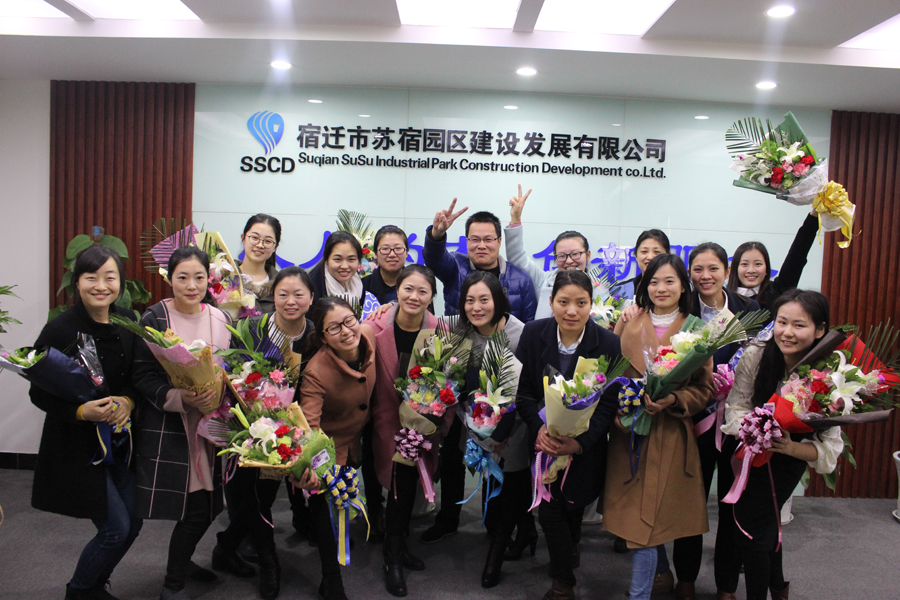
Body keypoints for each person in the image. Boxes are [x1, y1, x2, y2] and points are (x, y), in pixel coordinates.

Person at [30, 245, 143, 600]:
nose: (101, 286)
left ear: (120, 282)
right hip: (78, 447)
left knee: (134, 522)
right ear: (77, 282)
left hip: (119, 442)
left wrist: (127, 401)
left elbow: (138, 378)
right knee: (115, 529)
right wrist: (82, 412)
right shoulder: (59, 329)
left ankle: (95, 585)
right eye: (91, 277)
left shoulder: (128, 321)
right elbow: (38, 392)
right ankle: (79, 590)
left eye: (110, 277)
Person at [716, 289, 842, 600]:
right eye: (782, 322)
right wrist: (756, 430)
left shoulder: (829, 374)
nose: (787, 332)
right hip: (746, 451)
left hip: (789, 456)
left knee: (756, 532)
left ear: (820, 330)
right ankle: (776, 588)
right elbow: (736, 405)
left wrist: (787, 446)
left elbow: (829, 449)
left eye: (799, 325)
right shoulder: (757, 354)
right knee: (759, 528)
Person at [604, 254, 714, 600]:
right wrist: (620, 408)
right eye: (653, 281)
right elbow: (608, 375)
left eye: (669, 281)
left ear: (683, 286)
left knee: (657, 518)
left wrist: (674, 399)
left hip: (671, 434)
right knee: (638, 520)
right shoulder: (628, 323)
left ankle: (646, 589)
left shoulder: (696, 329)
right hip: (630, 434)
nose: (661, 288)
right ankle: (657, 577)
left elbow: (705, 389)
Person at [515, 270, 624, 600]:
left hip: (584, 447)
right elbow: (523, 392)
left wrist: (579, 444)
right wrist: (539, 429)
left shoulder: (608, 343)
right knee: (550, 513)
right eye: (563, 302)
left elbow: (607, 405)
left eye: (581, 303)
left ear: (592, 304)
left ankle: (570, 548)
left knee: (574, 506)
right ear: (551, 302)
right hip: (545, 445)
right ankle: (562, 583)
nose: (572, 311)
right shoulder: (534, 334)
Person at [132, 246, 232, 600]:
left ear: (209, 279)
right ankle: (172, 583)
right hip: (175, 426)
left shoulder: (220, 318)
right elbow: (141, 375)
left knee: (210, 506)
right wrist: (181, 397)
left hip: (213, 424)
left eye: (199, 277)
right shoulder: (155, 318)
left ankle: (183, 562)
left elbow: (232, 369)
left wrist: (222, 393)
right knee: (195, 509)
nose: (192, 286)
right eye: (183, 277)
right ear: (169, 278)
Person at [213, 267, 316, 599]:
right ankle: (270, 563)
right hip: (251, 425)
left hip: (296, 427)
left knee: (261, 498)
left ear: (311, 298)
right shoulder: (252, 328)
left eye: (299, 294)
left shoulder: (314, 336)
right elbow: (234, 373)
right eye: (283, 294)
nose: (290, 301)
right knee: (255, 496)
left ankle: (226, 547)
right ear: (273, 297)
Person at [292, 295, 377, 600]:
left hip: (358, 438)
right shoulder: (317, 370)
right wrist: (312, 469)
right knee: (326, 512)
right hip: (328, 447)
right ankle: (331, 580)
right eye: (334, 328)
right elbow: (309, 425)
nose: (345, 330)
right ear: (323, 337)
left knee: (342, 508)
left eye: (349, 321)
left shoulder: (368, 336)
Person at [367, 265, 443, 597]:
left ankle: (397, 548)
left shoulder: (440, 331)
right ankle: (392, 557)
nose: (414, 296)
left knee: (407, 489)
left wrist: (433, 418)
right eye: (408, 289)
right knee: (398, 488)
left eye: (422, 291)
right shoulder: (373, 328)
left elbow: (448, 379)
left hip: (423, 425)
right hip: (385, 421)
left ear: (432, 296)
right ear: (396, 291)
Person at [423, 198, 537, 322]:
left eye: (488, 239)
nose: (481, 246)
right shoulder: (455, 267)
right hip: (458, 334)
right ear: (467, 242)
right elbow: (434, 259)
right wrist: (437, 233)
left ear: (499, 241)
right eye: (475, 239)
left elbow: (529, 326)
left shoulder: (521, 280)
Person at [504, 184, 595, 320]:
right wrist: (516, 218)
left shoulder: (601, 289)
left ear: (587, 255)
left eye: (575, 254)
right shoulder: (544, 281)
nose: (569, 261)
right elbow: (517, 258)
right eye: (562, 256)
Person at [727, 209, 818, 311]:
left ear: (767, 269)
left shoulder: (777, 291)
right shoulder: (724, 298)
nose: (751, 270)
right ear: (734, 268)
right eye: (744, 264)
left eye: (758, 264)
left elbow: (797, 255)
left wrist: (813, 217)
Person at [308, 231, 378, 312]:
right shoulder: (311, 288)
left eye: (351, 259)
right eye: (337, 259)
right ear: (326, 260)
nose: (345, 266)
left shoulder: (361, 284)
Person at [235, 213, 282, 314]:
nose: (260, 245)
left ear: (276, 246)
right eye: (255, 238)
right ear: (243, 238)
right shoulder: (225, 277)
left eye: (268, 241)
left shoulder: (280, 285)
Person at [362, 225, 409, 305]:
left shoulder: (417, 284)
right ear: (375, 253)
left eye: (398, 248)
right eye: (385, 249)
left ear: (406, 252)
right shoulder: (362, 286)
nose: (392, 254)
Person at [618, 229, 670, 300]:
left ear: (668, 256)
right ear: (636, 256)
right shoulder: (620, 291)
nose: (650, 257)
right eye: (644, 251)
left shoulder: (675, 290)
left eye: (657, 251)